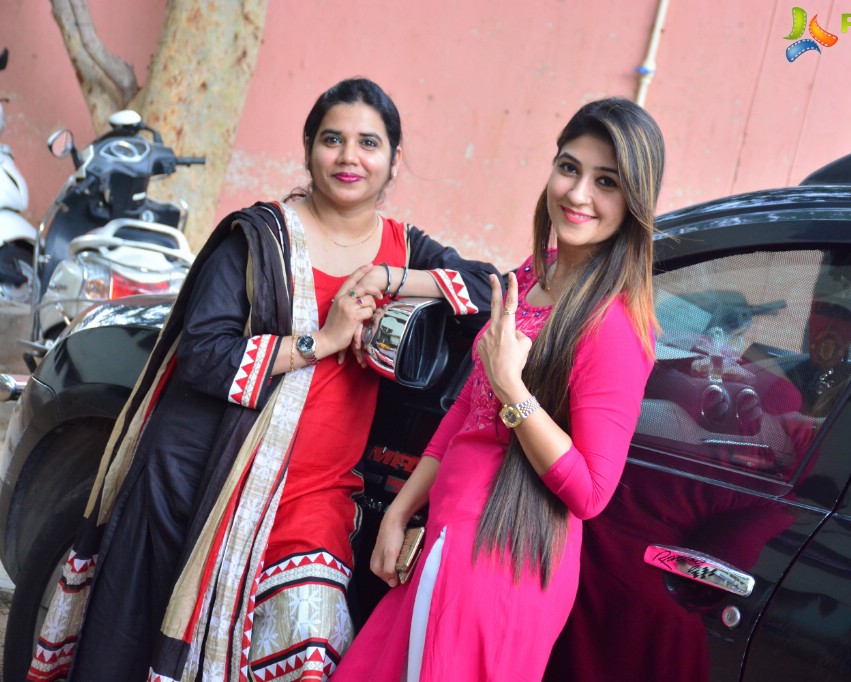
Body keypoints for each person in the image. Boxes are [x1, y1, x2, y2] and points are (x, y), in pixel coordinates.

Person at [29, 78, 500, 682]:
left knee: (306, 650)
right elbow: (202, 355)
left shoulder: (406, 248)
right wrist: (322, 341)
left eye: (368, 143)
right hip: (206, 482)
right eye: (332, 140)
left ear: (394, 159)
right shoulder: (258, 238)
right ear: (308, 149)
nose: (349, 157)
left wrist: (390, 277)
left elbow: (492, 289)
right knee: (150, 640)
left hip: (316, 496)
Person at [332, 97, 665, 681]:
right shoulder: (538, 272)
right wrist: (402, 510)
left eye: (605, 181)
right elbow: (468, 407)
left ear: (634, 201)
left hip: (502, 561)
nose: (578, 193)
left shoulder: (614, 328)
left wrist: (514, 387)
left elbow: (590, 493)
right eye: (569, 168)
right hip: (449, 535)